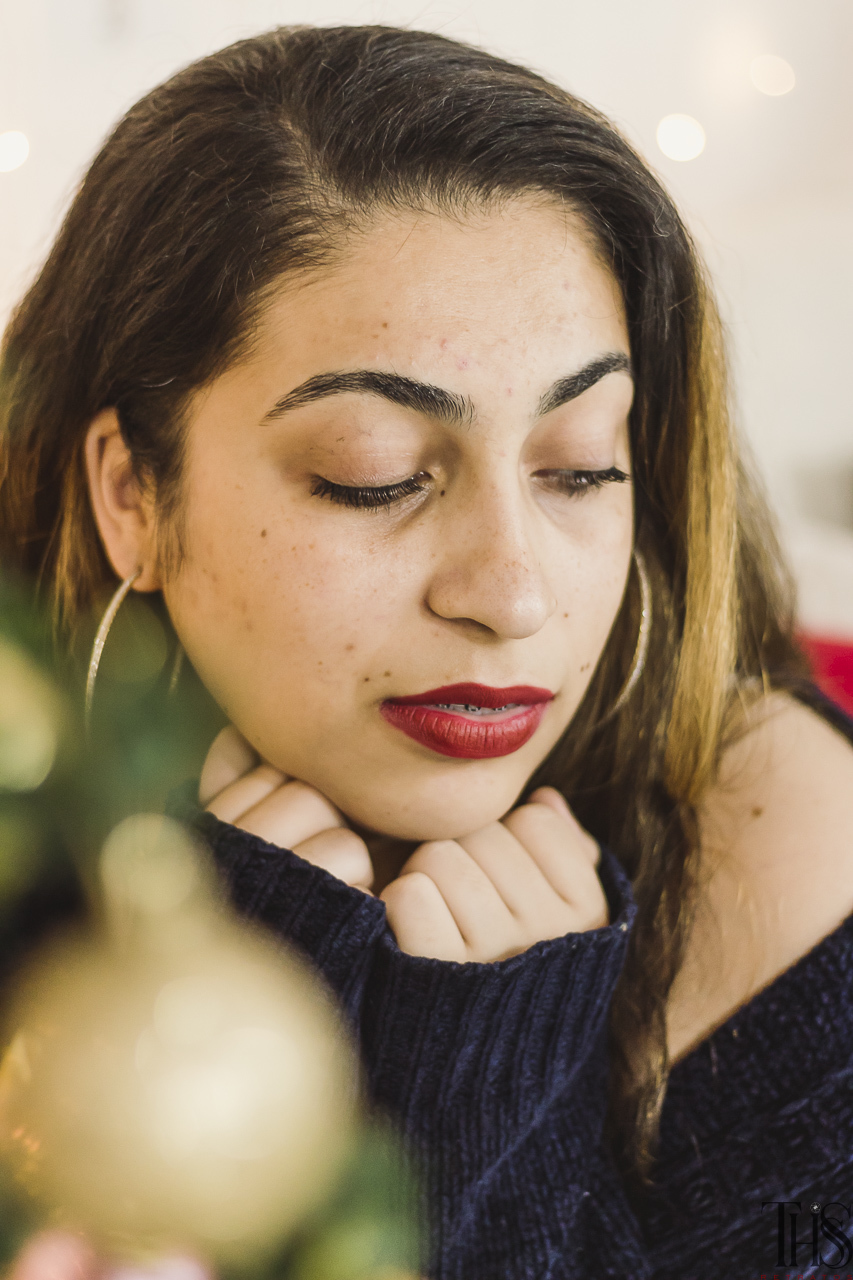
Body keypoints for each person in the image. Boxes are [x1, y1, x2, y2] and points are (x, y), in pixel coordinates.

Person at [2, 23, 853, 1280]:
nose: (512, 595)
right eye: (374, 476)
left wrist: (483, 1093)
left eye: (578, 468)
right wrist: (244, 1040)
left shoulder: (775, 828)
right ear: (134, 492)